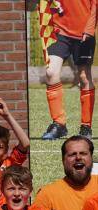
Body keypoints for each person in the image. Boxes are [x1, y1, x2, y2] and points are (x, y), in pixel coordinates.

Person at [41, 1, 97, 140]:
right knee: (51, 72)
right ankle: (59, 124)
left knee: (84, 77)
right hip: (58, 31)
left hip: (84, 32)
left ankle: (86, 126)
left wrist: (90, 28)